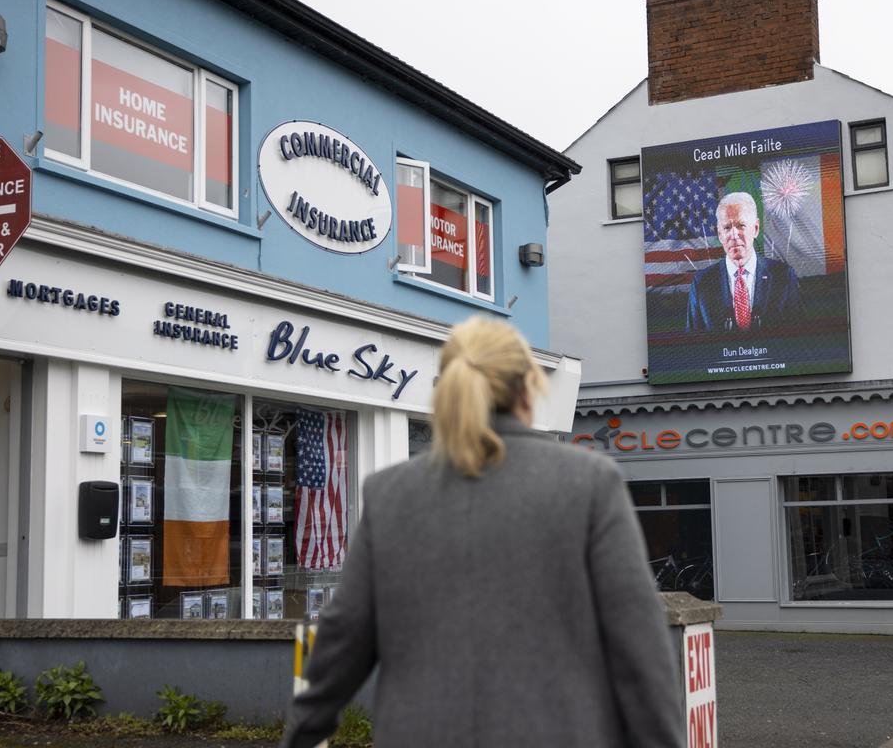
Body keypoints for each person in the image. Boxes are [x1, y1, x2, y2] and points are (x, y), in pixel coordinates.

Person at [280, 317, 685, 748]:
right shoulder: (589, 484)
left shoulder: (390, 495)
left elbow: (343, 640)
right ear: (530, 387)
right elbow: (639, 649)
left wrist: (302, 735)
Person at [685, 191, 801, 333]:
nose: (734, 234)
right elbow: (692, 346)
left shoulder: (783, 277)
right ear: (720, 234)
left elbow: (797, 341)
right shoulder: (701, 283)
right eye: (727, 228)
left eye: (741, 225)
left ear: (756, 229)